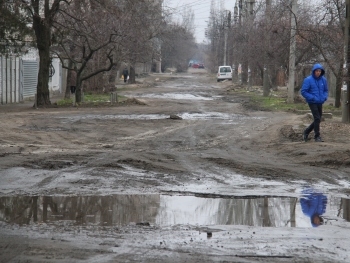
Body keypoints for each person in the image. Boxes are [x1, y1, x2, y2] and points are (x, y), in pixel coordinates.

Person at [301, 63, 328, 142]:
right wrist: (312, 97)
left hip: (320, 101)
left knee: (318, 119)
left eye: (319, 71)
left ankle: (306, 131)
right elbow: (303, 91)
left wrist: (324, 97)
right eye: (316, 71)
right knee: (317, 118)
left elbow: (325, 90)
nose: (318, 72)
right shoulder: (308, 80)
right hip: (312, 102)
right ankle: (317, 136)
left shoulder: (323, 80)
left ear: (321, 72)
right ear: (314, 71)